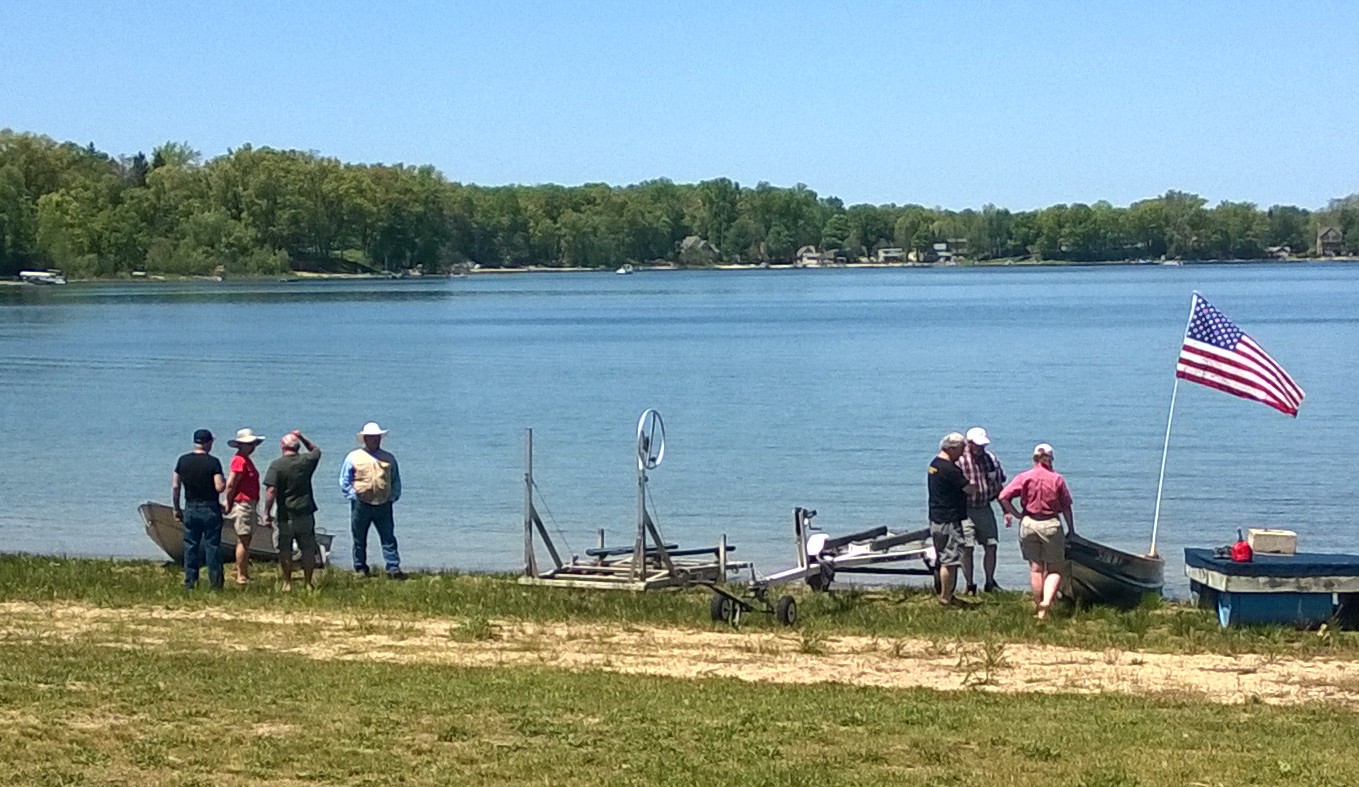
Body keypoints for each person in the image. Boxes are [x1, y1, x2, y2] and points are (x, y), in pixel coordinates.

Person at [996, 443, 1075, 620]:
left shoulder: (1024, 477)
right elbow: (1066, 507)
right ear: (1051, 459)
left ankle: (1039, 606)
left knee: (1036, 568)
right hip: (1050, 524)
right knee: (1054, 569)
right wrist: (1071, 529)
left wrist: (1016, 514)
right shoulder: (1057, 479)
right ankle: (1046, 604)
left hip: (1029, 523)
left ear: (1034, 459)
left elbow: (1003, 496)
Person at [340, 421, 405, 579]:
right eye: (371, 437)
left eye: (376, 437)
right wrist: (353, 495)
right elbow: (344, 479)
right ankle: (360, 567)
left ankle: (393, 567)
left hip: (384, 504)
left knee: (388, 537)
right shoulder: (353, 457)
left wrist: (393, 496)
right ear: (364, 439)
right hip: (361, 504)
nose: (374, 439)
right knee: (359, 538)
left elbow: (395, 479)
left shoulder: (388, 458)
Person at [264, 430, 323, 591]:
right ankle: (308, 582)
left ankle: (287, 583)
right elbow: (316, 450)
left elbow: (271, 491)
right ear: (297, 447)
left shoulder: (277, 465)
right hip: (305, 511)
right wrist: (302, 436)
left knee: (285, 549)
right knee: (307, 548)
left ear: (282, 447)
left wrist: (266, 513)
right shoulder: (306, 461)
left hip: (285, 514)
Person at [171, 429, 226, 590]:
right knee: (212, 546)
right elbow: (219, 487)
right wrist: (227, 481)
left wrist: (176, 508)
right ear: (208, 443)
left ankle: (190, 581)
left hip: (190, 507)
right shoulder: (213, 462)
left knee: (190, 545)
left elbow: (175, 486)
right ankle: (215, 584)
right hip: (210, 508)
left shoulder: (182, 461)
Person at [955, 426, 1007, 594]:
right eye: (976, 445)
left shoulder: (991, 459)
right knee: (967, 547)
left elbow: (999, 486)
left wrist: (1005, 510)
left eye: (982, 445)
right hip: (964, 509)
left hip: (984, 507)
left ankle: (990, 582)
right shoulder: (959, 460)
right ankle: (970, 584)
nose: (980, 448)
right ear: (968, 443)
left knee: (991, 545)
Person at [927, 432, 974, 606]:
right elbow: (968, 489)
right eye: (961, 449)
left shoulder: (934, 464)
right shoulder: (950, 469)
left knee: (944, 557)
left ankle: (946, 594)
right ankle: (946, 598)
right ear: (952, 448)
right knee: (950, 560)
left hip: (936, 516)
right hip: (949, 519)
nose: (962, 453)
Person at [223, 428, 266, 585]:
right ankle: (241, 575)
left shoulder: (245, 459)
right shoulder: (239, 460)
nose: (252, 447)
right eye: (249, 444)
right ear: (241, 445)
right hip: (243, 503)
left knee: (246, 539)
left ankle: (243, 572)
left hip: (248, 503)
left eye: (253, 443)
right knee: (243, 539)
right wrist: (228, 502)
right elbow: (231, 484)